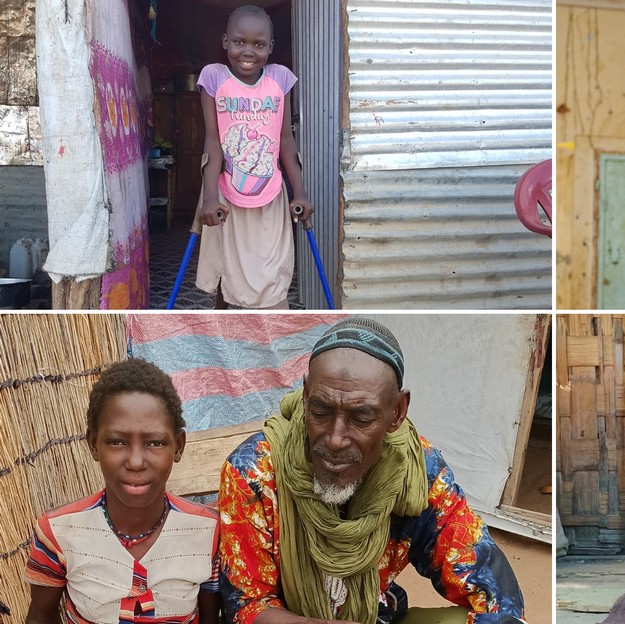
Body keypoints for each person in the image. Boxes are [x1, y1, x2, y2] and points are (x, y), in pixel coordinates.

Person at [217, 317, 526, 624]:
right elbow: (247, 606)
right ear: (307, 393)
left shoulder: (417, 471)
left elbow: (489, 582)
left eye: (361, 418)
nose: (336, 439)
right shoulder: (254, 473)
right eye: (321, 411)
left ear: (397, 412)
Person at [25, 359, 219, 624]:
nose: (136, 461)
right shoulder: (57, 532)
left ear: (178, 446)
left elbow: (212, 617)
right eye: (116, 441)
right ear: (93, 444)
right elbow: (39, 617)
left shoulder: (208, 531)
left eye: (155, 442)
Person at [195, 5, 314, 310]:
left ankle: (275, 329)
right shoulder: (214, 77)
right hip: (226, 195)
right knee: (225, 271)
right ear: (225, 41)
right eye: (239, 42)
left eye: (259, 44)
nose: (248, 51)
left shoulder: (279, 79)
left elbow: (286, 139)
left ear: (270, 47)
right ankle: (224, 332)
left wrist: (299, 192)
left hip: (270, 194)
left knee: (272, 273)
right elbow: (213, 140)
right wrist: (210, 196)